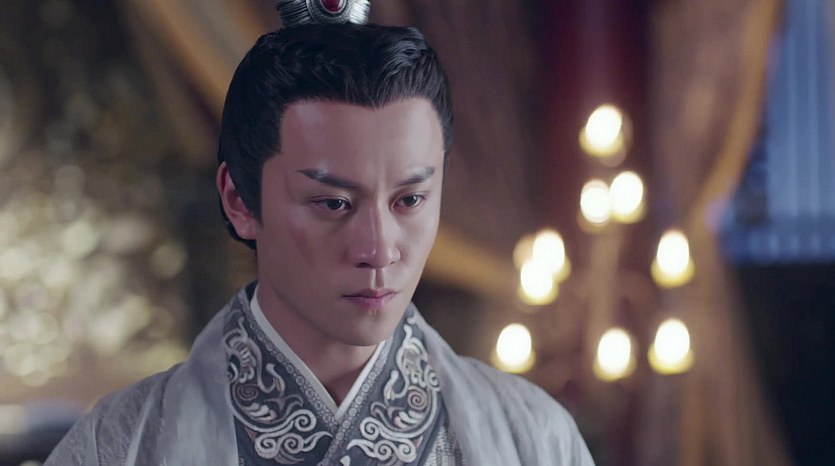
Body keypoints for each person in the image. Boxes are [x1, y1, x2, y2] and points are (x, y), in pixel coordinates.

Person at [45, 1, 595, 465]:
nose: (379, 249)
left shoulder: (533, 437)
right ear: (239, 201)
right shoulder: (117, 447)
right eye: (333, 202)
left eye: (409, 200)